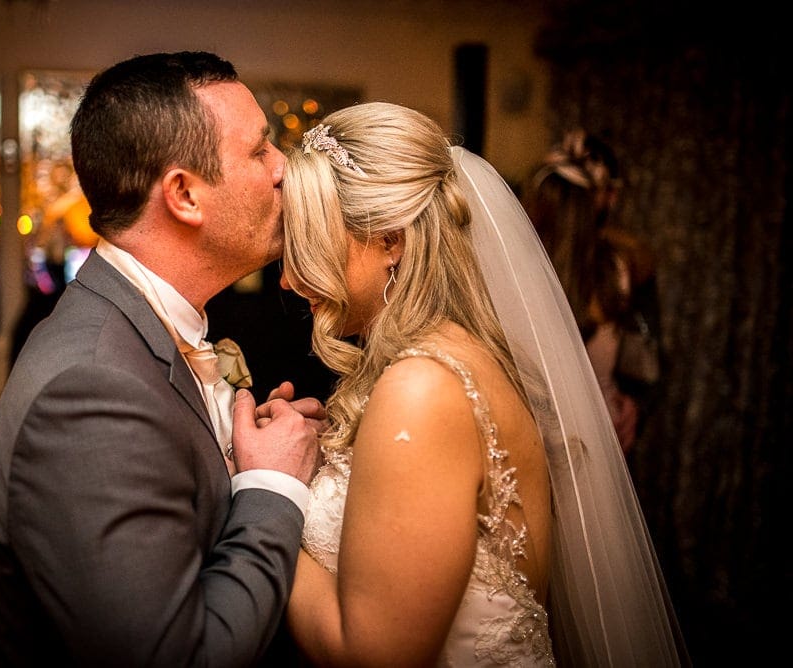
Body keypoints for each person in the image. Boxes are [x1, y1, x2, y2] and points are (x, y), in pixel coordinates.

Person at [277, 103, 688, 666]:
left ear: (391, 240)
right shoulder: (468, 355)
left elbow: (373, 655)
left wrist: (265, 496)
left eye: (309, 242)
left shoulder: (421, 389)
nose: (288, 276)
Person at [0, 51, 325, 667]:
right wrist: (273, 484)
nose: (283, 170)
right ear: (185, 195)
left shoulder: (147, 330)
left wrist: (244, 459)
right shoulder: (89, 389)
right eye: (260, 150)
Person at [521, 130, 661, 453]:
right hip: (599, 437)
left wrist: (636, 403)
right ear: (609, 197)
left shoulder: (513, 261)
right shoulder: (624, 268)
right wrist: (637, 402)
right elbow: (647, 355)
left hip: (529, 436)